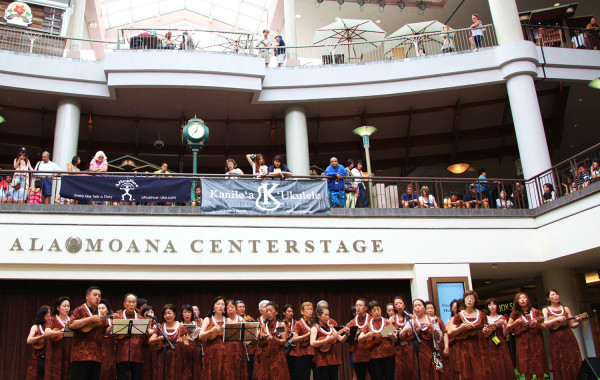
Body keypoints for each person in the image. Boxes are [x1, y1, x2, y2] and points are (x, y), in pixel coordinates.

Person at [447, 291, 494, 379]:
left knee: (482, 370)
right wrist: (461, 328)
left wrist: (487, 331)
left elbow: (487, 331)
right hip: (464, 347)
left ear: (475, 301)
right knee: (467, 371)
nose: (469, 300)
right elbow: (450, 333)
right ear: (464, 301)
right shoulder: (459, 316)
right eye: (467, 298)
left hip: (480, 345)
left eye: (472, 298)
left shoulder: (482, 314)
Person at [542, 289, 583, 380]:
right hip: (556, 338)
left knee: (572, 358)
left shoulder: (565, 309)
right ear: (548, 298)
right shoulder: (546, 310)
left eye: (557, 294)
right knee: (560, 360)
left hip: (568, 337)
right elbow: (545, 324)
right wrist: (557, 319)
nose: (556, 296)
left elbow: (572, 324)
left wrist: (579, 322)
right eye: (553, 295)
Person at [506, 292, 549, 380]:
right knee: (527, 369)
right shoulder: (515, 313)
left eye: (524, 298)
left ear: (528, 299)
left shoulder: (536, 312)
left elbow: (544, 327)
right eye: (520, 298)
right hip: (523, 343)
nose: (522, 300)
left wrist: (538, 324)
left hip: (536, 341)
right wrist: (516, 322)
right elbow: (508, 328)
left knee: (539, 368)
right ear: (517, 301)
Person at [68, 286, 107, 380]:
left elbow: (106, 331)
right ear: (87, 296)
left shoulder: (101, 313)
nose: (97, 297)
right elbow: (71, 325)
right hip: (80, 356)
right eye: (95, 295)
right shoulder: (79, 310)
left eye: (99, 296)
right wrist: (90, 319)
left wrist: (114, 326)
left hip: (96, 356)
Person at [400, 299, 441, 380]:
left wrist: (432, 328)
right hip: (416, 352)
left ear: (424, 308)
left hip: (431, 351)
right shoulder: (410, 322)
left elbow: (439, 337)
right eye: (415, 306)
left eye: (419, 305)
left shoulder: (432, 320)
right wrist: (404, 331)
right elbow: (401, 337)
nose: (417, 308)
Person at [357, 300, 396, 380]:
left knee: (390, 377)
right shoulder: (368, 325)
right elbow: (360, 339)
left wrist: (392, 336)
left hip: (388, 356)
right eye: (374, 310)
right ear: (370, 313)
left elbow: (395, 338)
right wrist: (366, 336)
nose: (377, 312)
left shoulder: (387, 323)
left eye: (379, 310)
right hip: (374, 357)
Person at [148, 304, 188, 379]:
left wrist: (182, 342)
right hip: (162, 357)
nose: (167, 315)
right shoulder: (160, 327)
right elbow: (150, 341)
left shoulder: (182, 328)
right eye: (165, 314)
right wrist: (160, 338)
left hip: (177, 357)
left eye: (169, 313)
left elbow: (186, 344)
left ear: (175, 314)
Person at [310, 307, 349, 380]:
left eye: (328, 315)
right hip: (322, 360)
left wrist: (346, 334)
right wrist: (325, 341)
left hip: (333, 358)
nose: (328, 317)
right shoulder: (315, 328)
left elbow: (341, 339)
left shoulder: (331, 327)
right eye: (326, 315)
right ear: (318, 315)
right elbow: (312, 343)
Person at [113, 293, 145, 380]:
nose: (131, 304)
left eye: (134, 302)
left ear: (136, 304)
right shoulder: (118, 318)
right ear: (124, 304)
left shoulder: (141, 319)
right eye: (129, 302)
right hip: (122, 355)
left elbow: (144, 338)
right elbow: (112, 335)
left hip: (137, 356)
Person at [257, 302, 290, 380]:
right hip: (266, 356)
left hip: (277, 356)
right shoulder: (264, 325)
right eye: (267, 311)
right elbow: (260, 344)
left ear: (276, 312)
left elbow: (284, 341)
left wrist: (275, 339)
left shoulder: (281, 325)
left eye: (271, 311)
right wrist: (259, 336)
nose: (268, 313)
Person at [485, 298, 515, 380]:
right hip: (490, 343)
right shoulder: (485, 318)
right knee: (492, 364)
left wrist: (505, 325)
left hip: (501, 342)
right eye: (489, 305)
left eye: (493, 304)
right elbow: (484, 334)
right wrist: (492, 326)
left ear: (497, 306)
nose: (492, 307)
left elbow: (505, 335)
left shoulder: (502, 317)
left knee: (504, 363)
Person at [198, 297, 228, 379]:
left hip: (226, 354)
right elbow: (200, 337)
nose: (220, 306)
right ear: (213, 307)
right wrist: (211, 331)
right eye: (218, 304)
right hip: (212, 354)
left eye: (222, 304)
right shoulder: (208, 319)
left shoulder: (227, 320)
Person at [44, 296, 72, 380]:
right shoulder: (52, 319)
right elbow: (47, 333)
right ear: (58, 308)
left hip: (69, 352)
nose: (67, 308)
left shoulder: (71, 320)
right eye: (64, 306)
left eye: (68, 306)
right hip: (55, 352)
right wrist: (61, 332)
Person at [347, 298, 371, 380]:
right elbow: (345, 338)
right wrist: (347, 333)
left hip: (372, 353)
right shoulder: (352, 322)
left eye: (360, 305)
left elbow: (389, 327)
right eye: (356, 305)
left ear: (366, 308)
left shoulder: (372, 319)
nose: (358, 307)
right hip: (358, 354)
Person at [389, 296, 413, 379]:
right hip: (397, 348)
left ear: (404, 305)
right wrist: (395, 332)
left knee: (410, 370)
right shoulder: (392, 319)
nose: (399, 305)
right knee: (398, 371)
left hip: (409, 347)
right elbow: (385, 333)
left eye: (400, 303)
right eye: (396, 304)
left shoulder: (410, 317)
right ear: (394, 307)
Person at [290, 302, 314, 380]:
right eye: (307, 309)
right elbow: (294, 339)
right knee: (304, 376)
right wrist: (307, 335)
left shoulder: (314, 323)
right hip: (303, 354)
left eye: (311, 309)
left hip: (315, 353)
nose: (310, 311)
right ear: (302, 312)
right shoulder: (298, 324)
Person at [223, 299, 247, 380]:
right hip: (226, 349)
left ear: (236, 309)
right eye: (228, 308)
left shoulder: (241, 319)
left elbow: (247, 337)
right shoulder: (223, 320)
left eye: (232, 307)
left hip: (239, 349)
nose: (230, 309)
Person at [26, 305, 50, 380]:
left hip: (50, 357)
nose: (49, 315)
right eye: (48, 313)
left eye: (50, 313)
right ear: (43, 315)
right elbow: (29, 340)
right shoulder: (36, 327)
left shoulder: (51, 327)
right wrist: (42, 337)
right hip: (38, 357)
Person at [98, 299, 116, 380]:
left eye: (103, 308)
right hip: (98, 348)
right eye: (99, 308)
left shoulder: (112, 320)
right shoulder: (95, 321)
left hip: (111, 348)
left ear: (108, 310)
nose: (101, 310)